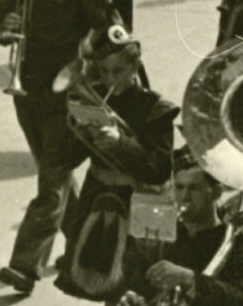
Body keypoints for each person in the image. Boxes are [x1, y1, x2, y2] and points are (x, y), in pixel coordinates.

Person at [0, 0, 121, 294]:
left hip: (65, 94)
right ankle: (84, 249)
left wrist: (92, 70)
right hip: (27, 92)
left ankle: (25, 266)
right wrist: (5, 28)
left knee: (51, 183)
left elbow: (112, 28)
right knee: (58, 177)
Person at [53, 26, 179, 301]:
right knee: (101, 282)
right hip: (98, 197)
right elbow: (64, 160)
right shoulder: (92, 100)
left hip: (142, 204)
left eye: (118, 71)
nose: (110, 80)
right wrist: (81, 134)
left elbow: (159, 170)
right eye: (103, 72)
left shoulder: (155, 108)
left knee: (138, 288)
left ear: (134, 67)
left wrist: (121, 143)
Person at [127, 150, 243, 306]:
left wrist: (189, 278)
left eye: (194, 188)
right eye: (179, 187)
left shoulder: (239, 244)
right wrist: (134, 298)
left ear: (216, 193)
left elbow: (242, 302)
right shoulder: (166, 236)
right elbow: (142, 286)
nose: (184, 197)